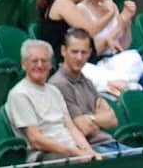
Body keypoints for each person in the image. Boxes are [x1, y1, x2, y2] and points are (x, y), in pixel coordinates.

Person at [6, 39, 102, 164]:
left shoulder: (54, 90)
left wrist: (89, 151)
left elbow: (71, 127)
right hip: (45, 155)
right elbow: (35, 139)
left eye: (44, 61)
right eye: (34, 61)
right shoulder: (19, 94)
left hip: (71, 151)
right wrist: (76, 153)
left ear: (50, 64)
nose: (40, 65)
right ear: (24, 64)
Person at [49, 28, 137, 157]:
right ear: (63, 51)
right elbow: (84, 128)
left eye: (83, 52)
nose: (79, 57)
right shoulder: (59, 84)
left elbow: (112, 120)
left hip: (110, 143)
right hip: (92, 149)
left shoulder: (87, 82)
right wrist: (97, 119)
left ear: (90, 53)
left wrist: (90, 119)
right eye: (74, 52)